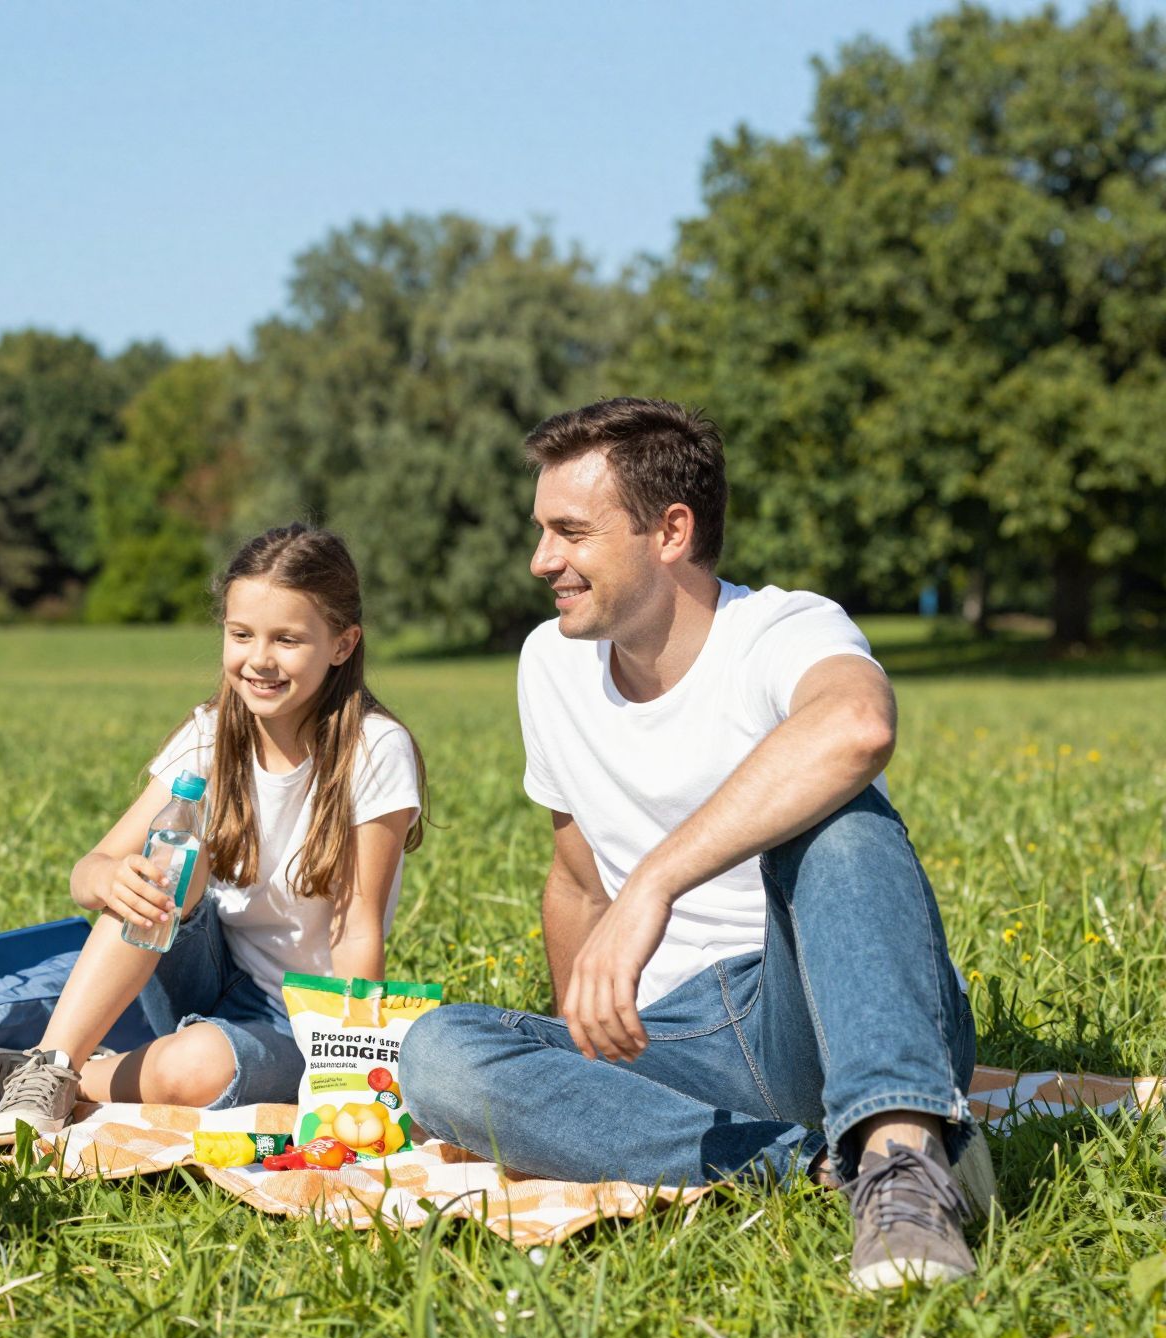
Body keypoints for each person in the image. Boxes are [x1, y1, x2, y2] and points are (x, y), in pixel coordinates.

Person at [399, 398, 991, 1293]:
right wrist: (581, 1041)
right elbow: (574, 876)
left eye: (569, 532)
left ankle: (903, 1162)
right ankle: (810, 1165)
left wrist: (657, 884)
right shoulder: (548, 663)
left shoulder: (785, 630)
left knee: (840, 818)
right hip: (678, 1038)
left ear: (670, 531)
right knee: (439, 1054)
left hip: (824, 1009)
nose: (540, 560)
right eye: (541, 531)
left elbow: (859, 724)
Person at [0, 524, 428, 1146]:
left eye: (287, 639)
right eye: (241, 635)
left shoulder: (374, 749)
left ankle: (63, 1076)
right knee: (160, 868)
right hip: (201, 969)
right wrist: (111, 878)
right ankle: (51, 1066)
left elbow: (357, 928)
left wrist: (346, 1069)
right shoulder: (211, 733)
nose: (259, 659)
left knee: (195, 1069)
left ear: (342, 645)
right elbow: (87, 871)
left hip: (300, 1020)